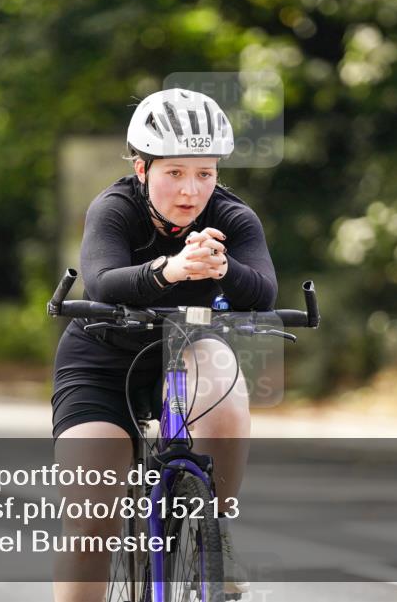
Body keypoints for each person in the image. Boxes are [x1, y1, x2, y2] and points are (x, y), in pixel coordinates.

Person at [51, 88, 277, 601]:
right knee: (92, 514)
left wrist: (224, 268)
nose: (190, 191)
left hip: (187, 352)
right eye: (174, 172)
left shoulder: (233, 217)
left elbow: (264, 290)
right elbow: (103, 280)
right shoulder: (114, 208)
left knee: (222, 371)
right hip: (102, 362)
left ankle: (216, 532)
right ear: (142, 168)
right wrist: (170, 270)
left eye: (205, 173)